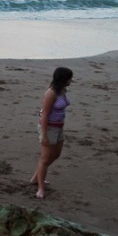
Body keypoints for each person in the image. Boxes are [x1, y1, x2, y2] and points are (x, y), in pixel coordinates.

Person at [31, 67, 73, 199]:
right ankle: (40, 188)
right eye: (70, 78)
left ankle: (35, 178)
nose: (71, 80)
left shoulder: (62, 90)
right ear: (63, 79)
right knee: (44, 159)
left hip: (59, 127)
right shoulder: (51, 93)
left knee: (56, 155)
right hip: (49, 128)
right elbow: (44, 114)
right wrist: (43, 135)